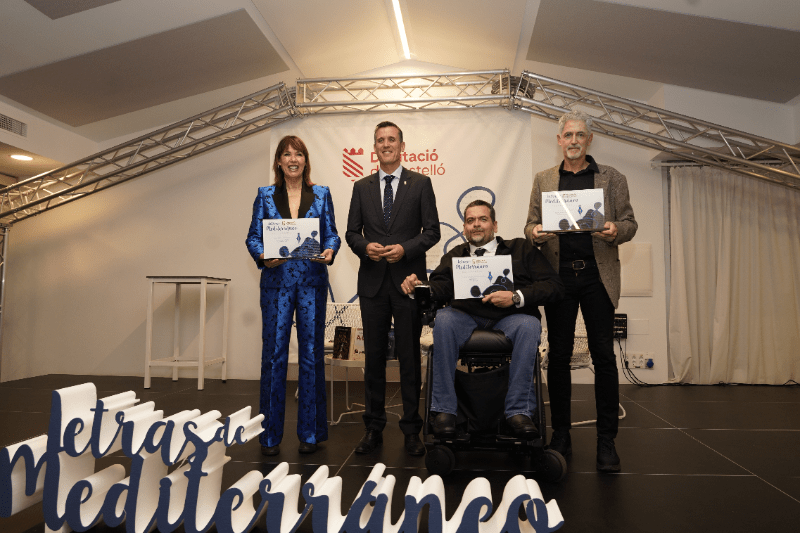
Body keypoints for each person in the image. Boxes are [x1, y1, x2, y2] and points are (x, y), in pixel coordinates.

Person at [525, 110, 637, 472]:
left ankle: (607, 440)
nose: (573, 140)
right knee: (558, 357)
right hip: (558, 278)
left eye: (580, 135)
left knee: (603, 357)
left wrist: (615, 230)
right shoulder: (544, 179)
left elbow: (630, 222)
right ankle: (561, 435)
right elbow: (530, 224)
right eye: (568, 135)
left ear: (589, 140)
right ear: (559, 140)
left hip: (597, 277)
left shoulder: (612, 178)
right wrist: (534, 233)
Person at [401, 200, 564, 438]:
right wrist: (420, 287)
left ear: (494, 225)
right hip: (465, 316)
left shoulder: (521, 249)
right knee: (444, 319)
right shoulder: (455, 255)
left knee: (529, 325)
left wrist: (515, 296)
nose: (476, 224)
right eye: (470, 221)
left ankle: (519, 411)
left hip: (511, 317)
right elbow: (440, 286)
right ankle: (444, 410)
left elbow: (554, 286)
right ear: (464, 228)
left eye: (482, 219)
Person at [346, 121, 440, 456]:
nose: (386, 144)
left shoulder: (421, 184)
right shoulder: (361, 187)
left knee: (409, 359)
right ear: (375, 147)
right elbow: (351, 233)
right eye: (380, 140)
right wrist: (365, 247)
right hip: (372, 284)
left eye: (391, 139)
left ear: (402, 146)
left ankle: (412, 431)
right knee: (373, 359)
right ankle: (373, 428)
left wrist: (405, 249)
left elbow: (432, 231)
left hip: (407, 283)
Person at [245, 135, 341, 456]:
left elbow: (332, 234)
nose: (293, 159)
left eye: (298, 153)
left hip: (312, 282)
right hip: (276, 283)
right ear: (278, 161)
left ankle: (310, 434)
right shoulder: (265, 195)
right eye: (287, 154)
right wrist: (263, 256)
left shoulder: (322, 193)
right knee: (274, 356)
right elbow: (253, 237)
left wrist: (330, 251)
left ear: (305, 160)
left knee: (312, 356)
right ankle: (269, 437)